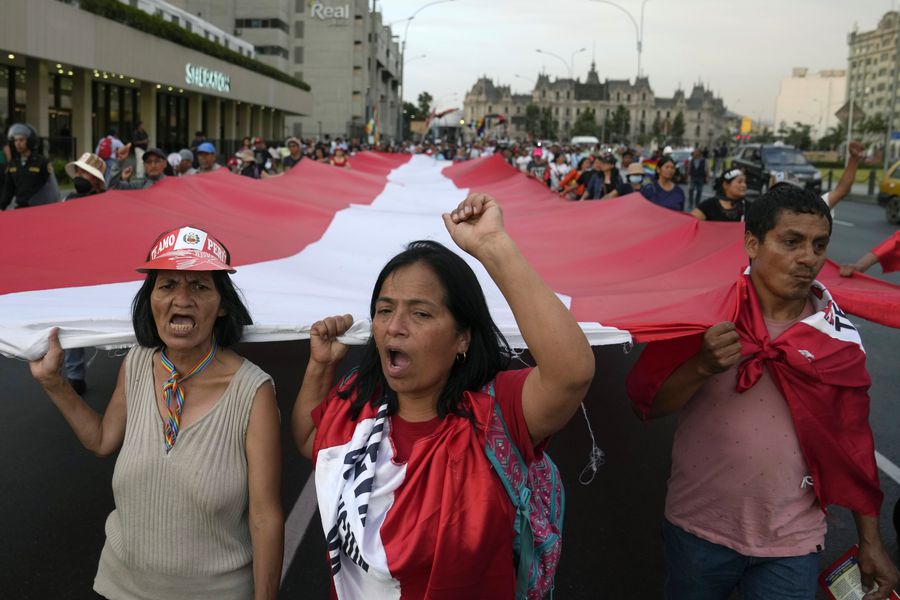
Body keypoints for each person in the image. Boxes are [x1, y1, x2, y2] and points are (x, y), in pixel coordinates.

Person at [291, 193, 595, 598]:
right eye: (384, 310)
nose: (395, 327)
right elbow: (312, 441)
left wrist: (493, 247)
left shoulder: (495, 415)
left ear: (462, 338)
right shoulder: (359, 399)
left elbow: (570, 374)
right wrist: (320, 366)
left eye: (420, 313)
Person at [627, 184, 899, 600]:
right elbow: (647, 404)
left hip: (793, 544)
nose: (808, 258)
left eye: (819, 245)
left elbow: (853, 444)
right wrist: (702, 366)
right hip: (697, 531)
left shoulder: (836, 338)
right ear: (752, 243)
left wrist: (871, 541)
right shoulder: (708, 315)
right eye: (791, 242)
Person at [28, 225, 283, 599]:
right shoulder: (136, 364)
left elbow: (264, 518)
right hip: (119, 587)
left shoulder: (252, 392)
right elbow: (102, 440)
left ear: (222, 304)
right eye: (167, 285)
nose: (182, 299)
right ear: (151, 299)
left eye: (199, 286)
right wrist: (54, 382)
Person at [61, 152, 109, 394]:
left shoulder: (107, 202)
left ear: (97, 180)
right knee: (72, 318)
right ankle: (75, 374)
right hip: (73, 269)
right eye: (78, 171)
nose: (80, 176)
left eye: (85, 173)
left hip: (101, 270)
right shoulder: (68, 199)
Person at [1, 123, 53, 210]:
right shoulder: (13, 163)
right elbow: (8, 189)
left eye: (21, 140)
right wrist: (2, 207)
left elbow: (51, 188)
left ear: (30, 141)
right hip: (21, 209)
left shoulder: (42, 162)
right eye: (15, 140)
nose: (18, 143)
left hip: (39, 208)